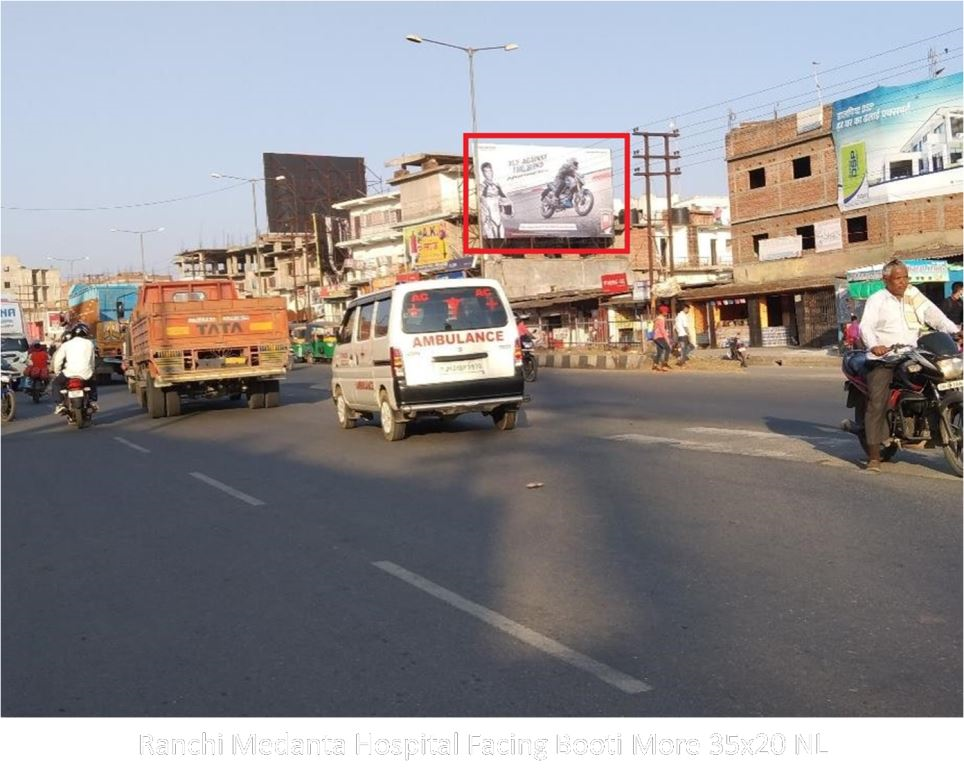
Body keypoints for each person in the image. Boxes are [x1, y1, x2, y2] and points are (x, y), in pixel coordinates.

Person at [859, 259, 960, 473]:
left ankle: (932, 422)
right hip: (885, 357)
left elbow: (935, 315)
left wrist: (955, 331)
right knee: (877, 402)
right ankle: (874, 456)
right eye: (898, 278)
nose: (903, 282)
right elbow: (865, 326)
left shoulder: (913, 295)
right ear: (886, 279)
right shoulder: (877, 300)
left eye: (906, 277)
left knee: (941, 377)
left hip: (912, 354)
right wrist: (874, 345)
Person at [51, 323, 98, 414]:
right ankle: (92, 401)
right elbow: (92, 360)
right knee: (93, 382)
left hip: (69, 373)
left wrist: (57, 372)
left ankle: (60, 404)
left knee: (56, 383)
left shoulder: (66, 344)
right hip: (86, 373)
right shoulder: (90, 344)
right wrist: (91, 371)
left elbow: (58, 360)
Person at [479, 162, 510, 240]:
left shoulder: (496, 185)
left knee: (501, 236)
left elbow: (504, 197)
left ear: (492, 172)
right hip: (488, 219)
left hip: (498, 217)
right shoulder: (482, 186)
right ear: (483, 173)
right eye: (486, 171)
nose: (488, 173)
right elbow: (481, 199)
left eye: (490, 171)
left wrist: (506, 206)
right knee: (492, 239)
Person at [651, 305, 672, 371]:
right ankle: (664, 365)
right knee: (668, 348)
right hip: (659, 337)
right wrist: (667, 340)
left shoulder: (658, 318)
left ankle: (655, 365)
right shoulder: (661, 319)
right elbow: (662, 330)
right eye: (666, 312)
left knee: (660, 351)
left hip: (656, 337)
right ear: (663, 312)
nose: (667, 313)